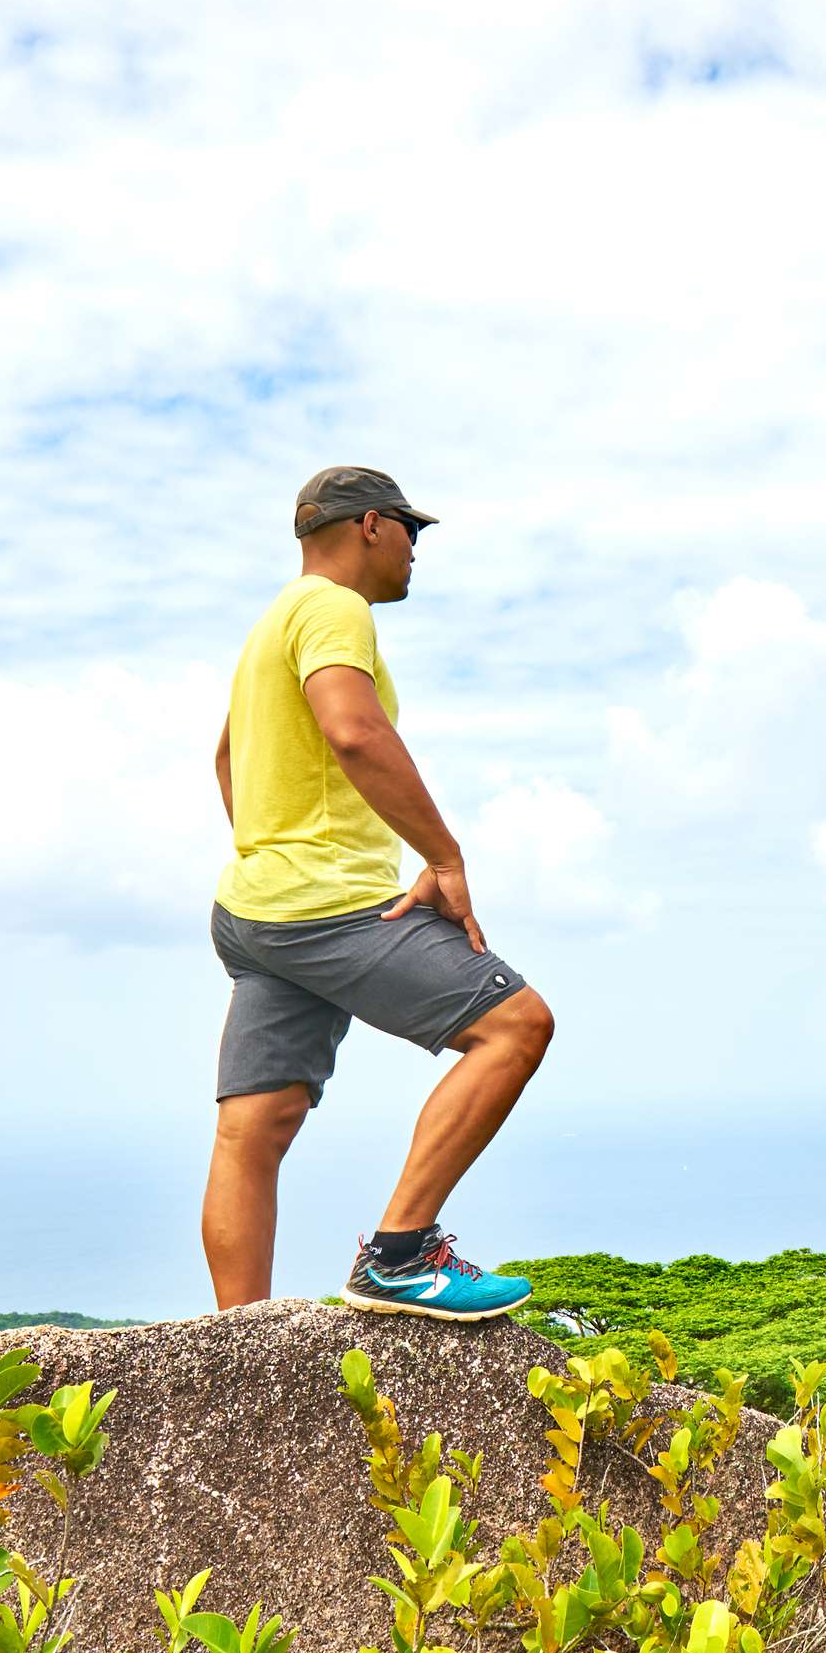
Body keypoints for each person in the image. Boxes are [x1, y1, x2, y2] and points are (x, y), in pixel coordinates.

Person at [200, 466, 555, 1318]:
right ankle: (400, 1257)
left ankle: (236, 1342)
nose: (416, 549)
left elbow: (226, 760)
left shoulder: (269, 626)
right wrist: (444, 857)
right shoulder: (333, 609)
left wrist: (272, 851)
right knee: (516, 1025)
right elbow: (353, 730)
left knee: (255, 1127)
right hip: (326, 905)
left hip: (253, 912)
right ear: (369, 527)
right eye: (412, 530)